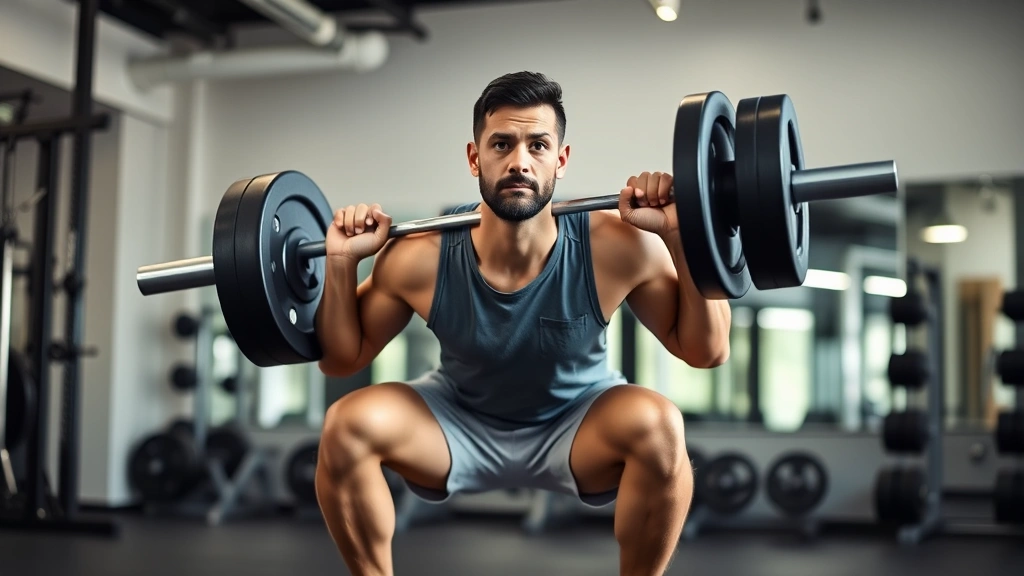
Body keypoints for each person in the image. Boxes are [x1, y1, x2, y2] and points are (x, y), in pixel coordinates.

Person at [313, 71, 732, 576]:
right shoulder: (419, 256)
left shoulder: (615, 245)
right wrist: (340, 265)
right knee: (345, 425)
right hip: (456, 420)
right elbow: (341, 359)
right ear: (475, 158)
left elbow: (707, 351)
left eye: (538, 145)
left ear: (561, 158)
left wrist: (681, 240)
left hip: (580, 421)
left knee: (661, 425)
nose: (519, 162)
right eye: (502, 144)